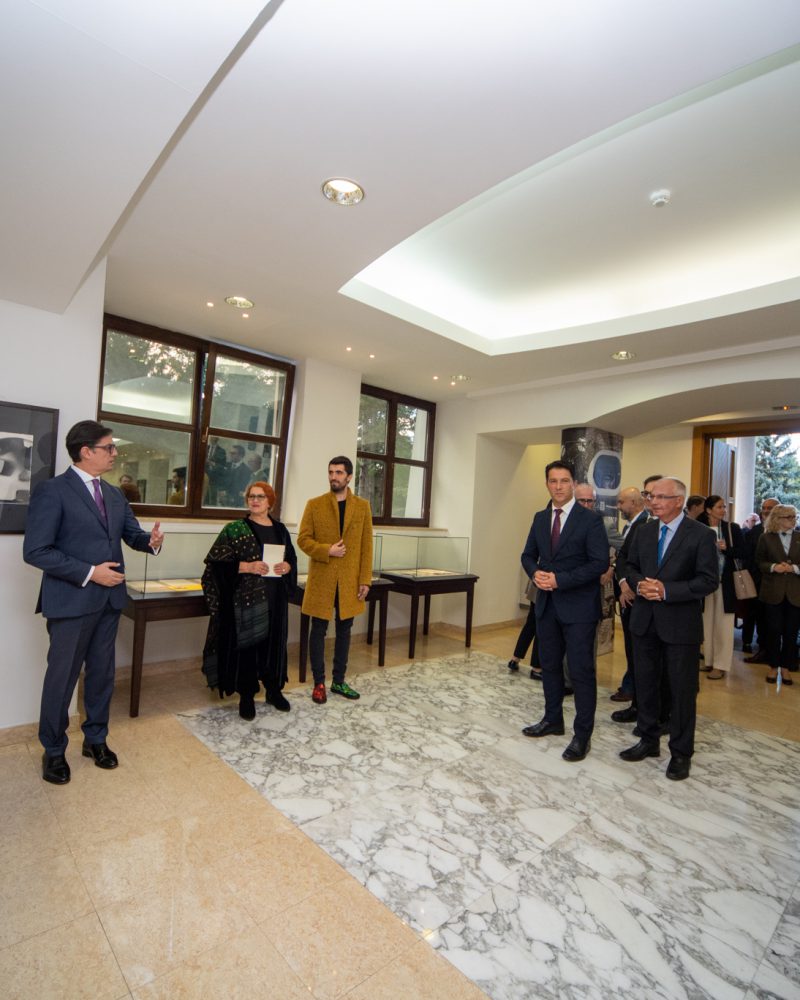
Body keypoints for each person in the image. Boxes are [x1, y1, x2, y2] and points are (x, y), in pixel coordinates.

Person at [23, 420, 164, 784]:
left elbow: (132, 536)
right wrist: (90, 572)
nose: (115, 453)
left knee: (102, 676)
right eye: (109, 447)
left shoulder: (114, 494)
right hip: (71, 602)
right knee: (62, 679)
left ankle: (96, 740)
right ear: (86, 451)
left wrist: (151, 541)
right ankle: (54, 750)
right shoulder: (53, 491)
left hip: (109, 602)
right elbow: (36, 550)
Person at [620, 477, 718, 780]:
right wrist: (639, 584)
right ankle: (648, 740)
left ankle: (681, 753)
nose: (654, 501)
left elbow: (708, 580)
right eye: (651, 496)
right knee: (646, 684)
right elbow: (629, 566)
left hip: (680, 625)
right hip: (645, 621)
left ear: (679, 500)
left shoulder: (701, 534)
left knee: (681, 692)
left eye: (661, 497)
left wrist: (666, 591)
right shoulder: (645, 531)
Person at [520, 460, 609, 762]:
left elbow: (599, 564)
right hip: (547, 606)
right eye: (553, 481)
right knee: (550, 666)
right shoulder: (540, 517)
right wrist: (536, 573)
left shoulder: (590, 520)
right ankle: (552, 719)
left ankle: (582, 736)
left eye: (564, 481)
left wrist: (560, 580)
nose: (558, 486)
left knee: (581, 672)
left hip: (579, 608)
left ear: (573, 483)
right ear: (547, 484)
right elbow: (528, 555)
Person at [201, 481, 296, 719]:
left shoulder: (281, 530)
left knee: (274, 646)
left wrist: (287, 566)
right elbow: (215, 566)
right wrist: (247, 566)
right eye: (251, 496)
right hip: (246, 603)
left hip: (276, 601)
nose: (255, 500)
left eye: (261, 497)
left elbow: (291, 559)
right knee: (249, 649)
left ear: (270, 502)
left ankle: (274, 691)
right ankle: (247, 696)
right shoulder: (234, 529)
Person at [298, 455, 373, 704]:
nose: (334, 477)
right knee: (318, 629)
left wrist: (365, 579)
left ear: (349, 477)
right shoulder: (315, 504)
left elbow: (367, 546)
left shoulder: (362, 506)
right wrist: (326, 550)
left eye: (339, 473)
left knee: (344, 630)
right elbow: (303, 540)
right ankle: (319, 683)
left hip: (350, 580)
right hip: (322, 578)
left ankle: (339, 681)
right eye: (331, 472)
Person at [696, 494, 744, 680]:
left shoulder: (732, 528)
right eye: (719, 507)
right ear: (708, 510)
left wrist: (726, 549)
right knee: (707, 623)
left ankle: (721, 665)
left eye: (724, 507)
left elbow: (744, 552)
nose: (724, 510)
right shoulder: (698, 528)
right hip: (704, 583)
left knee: (723, 624)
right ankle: (709, 660)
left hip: (726, 583)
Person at [610, 486, 648, 709]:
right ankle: (630, 685)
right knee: (631, 646)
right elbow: (622, 558)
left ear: (633, 503)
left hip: (634, 595)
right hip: (626, 592)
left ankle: (633, 690)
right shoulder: (630, 525)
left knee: (635, 647)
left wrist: (626, 585)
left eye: (621, 502)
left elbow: (633, 561)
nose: (618, 506)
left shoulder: (643, 525)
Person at [755, 504, 800, 684]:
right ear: (778, 519)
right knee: (773, 631)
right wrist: (774, 567)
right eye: (789, 517)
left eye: (794, 517)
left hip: (795, 593)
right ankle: (773, 666)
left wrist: (793, 568)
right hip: (772, 591)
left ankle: (786, 667)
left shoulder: (799, 537)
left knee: (791, 632)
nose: (793, 520)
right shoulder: (766, 538)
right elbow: (759, 562)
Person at [742, 497, 780, 659]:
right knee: (756, 614)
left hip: (778, 582)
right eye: (764, 507)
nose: (765, 510)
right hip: (757, 580)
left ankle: (772, 649)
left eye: (769, 508)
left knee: (773, 618)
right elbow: (747, 557)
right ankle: (758, 646)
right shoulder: (754, 532)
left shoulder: (785, 531)